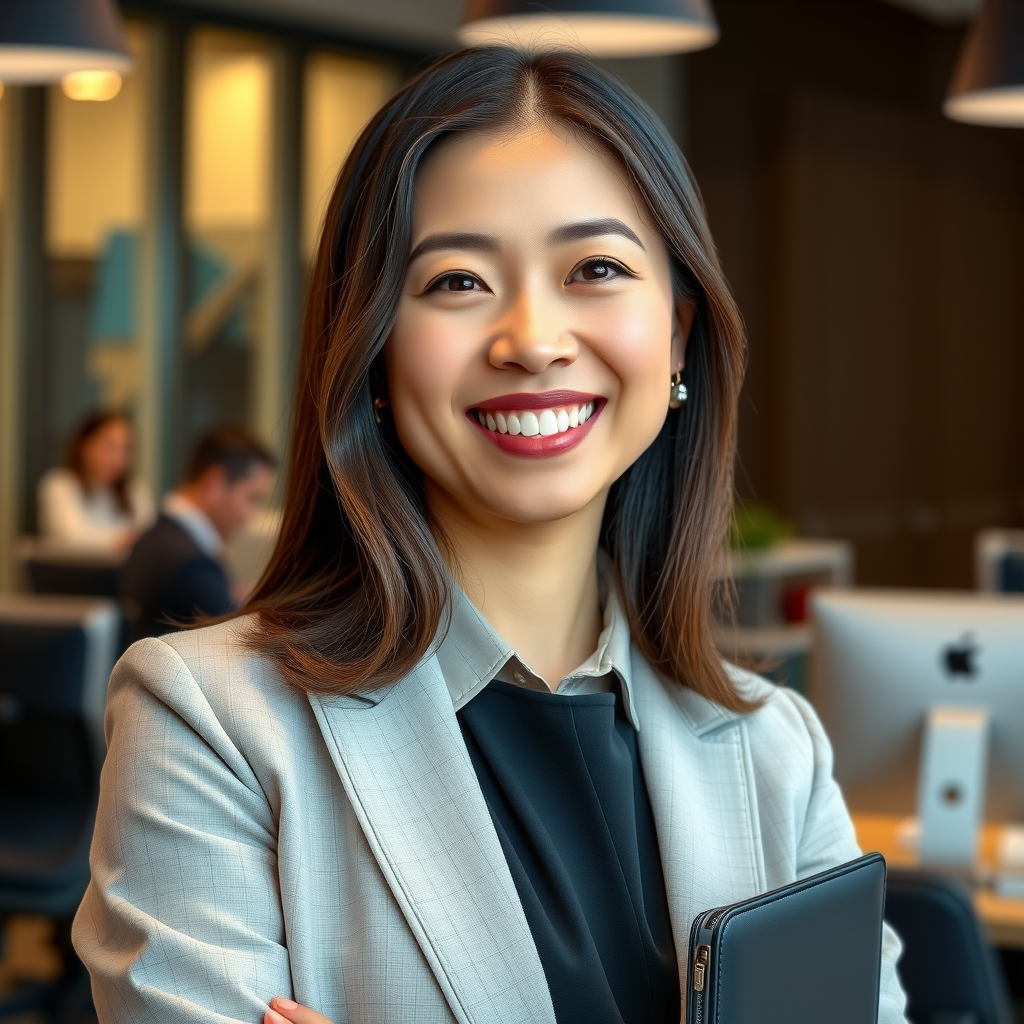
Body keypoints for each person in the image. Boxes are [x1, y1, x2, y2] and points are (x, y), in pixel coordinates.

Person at [74, 47, 909, 1024]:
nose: (532, 338)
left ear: (676, 332)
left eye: (595, 268)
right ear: (371, 345)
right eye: (458, 282)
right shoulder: (211, 723)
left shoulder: (777, 749)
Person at [119, 424, 275, 641]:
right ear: (215, 483)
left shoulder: (160, 537)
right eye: (252, 498)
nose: (251, 516)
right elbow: (235, 645)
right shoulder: (192, 566)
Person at [37, 411, 154, 552]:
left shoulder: (134, 492)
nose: (119, 458)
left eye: (127, 449)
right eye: (110, 446)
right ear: (85, 446)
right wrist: (123, 540)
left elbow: (149, 540)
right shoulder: (58, 485)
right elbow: (70, 539)